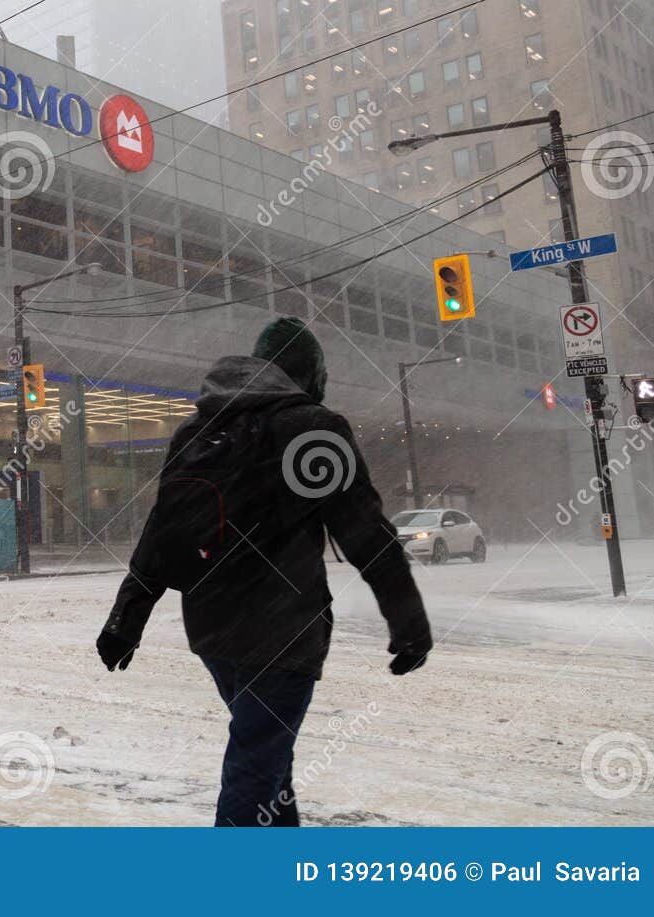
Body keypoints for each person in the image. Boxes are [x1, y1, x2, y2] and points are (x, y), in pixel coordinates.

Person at [96, 316, 431, 827]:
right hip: (281, 633)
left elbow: (161, 531)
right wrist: (409, 624)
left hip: (212, 631)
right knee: (256, 769)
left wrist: (126, 619)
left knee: (269, 761)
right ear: (310, 375)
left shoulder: (200, 428)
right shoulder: (313, 427)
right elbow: (366, 535)